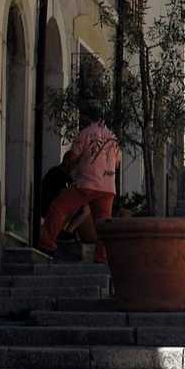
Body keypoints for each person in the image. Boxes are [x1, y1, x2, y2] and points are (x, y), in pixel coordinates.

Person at [37, 109, 120, 263]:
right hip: (108, 187)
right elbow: (117, 164)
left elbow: (72, 158)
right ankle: (102, 257)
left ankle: (46, 243)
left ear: (88, 118)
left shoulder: (85, 133)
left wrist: (73, 167)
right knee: (103, 223)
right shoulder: (113, 138)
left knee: (58, 207)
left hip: (87, 182)